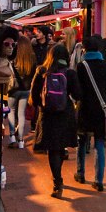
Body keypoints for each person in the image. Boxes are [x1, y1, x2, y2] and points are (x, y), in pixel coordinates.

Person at [29, 43, 81, 199]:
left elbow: (34, 95)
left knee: (53, 150)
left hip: (48, 116)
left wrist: (43, 106)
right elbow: (78, 94)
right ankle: (58, 177)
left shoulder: (42, 71)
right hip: (65, 114)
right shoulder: (70, 73)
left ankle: (57, 181)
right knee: (60, 148)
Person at [75, 36, 106, 191]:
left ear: (85, 48)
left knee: (82, 141)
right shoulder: (105, 65)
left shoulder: (82, 66)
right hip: (102, 109)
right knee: (99, 143)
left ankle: (80, 173)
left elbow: (78, 89)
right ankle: (99, 180)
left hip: (85, 108)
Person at [8, 35, 37, 148]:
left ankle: (12, 137)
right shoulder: (32, 57)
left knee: (11, 111)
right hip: (26, 89)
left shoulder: (12, 57)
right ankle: (21, 140)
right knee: (21, 114)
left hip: (13, 89)